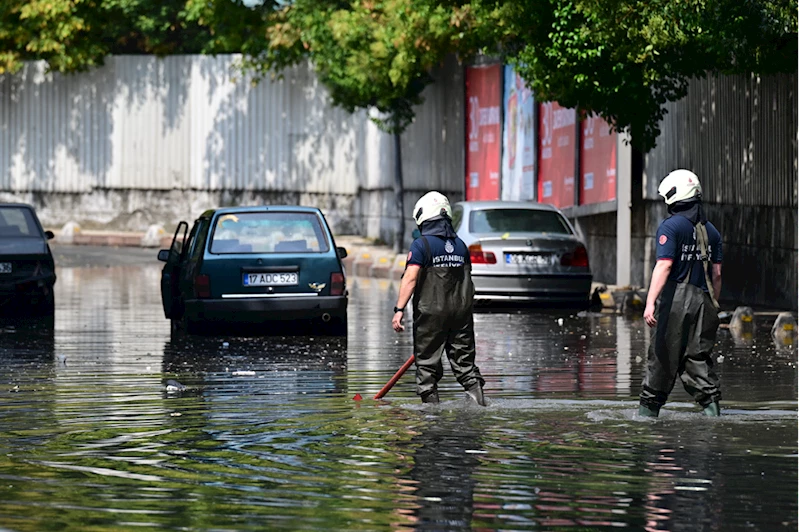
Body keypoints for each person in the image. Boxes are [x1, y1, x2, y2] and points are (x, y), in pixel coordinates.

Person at [639, 169, 723, 418]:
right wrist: (714, 305)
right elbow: (717, 275)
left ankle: (646, 420)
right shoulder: (712, 231)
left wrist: (650, 302)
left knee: (662, 359)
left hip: (675, 303)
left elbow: (664, 266)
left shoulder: (671, 227)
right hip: (704, 303)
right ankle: (713, 416)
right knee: (699, 360)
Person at [392, 191, 486, 405]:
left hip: (431, 315)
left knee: (427, 367)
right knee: (465, 364)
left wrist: (399, 310)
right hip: (461, 314)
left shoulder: (421, 245)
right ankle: (479, 404)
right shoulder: (461, 246)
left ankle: (431, 419)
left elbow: (410, 278)